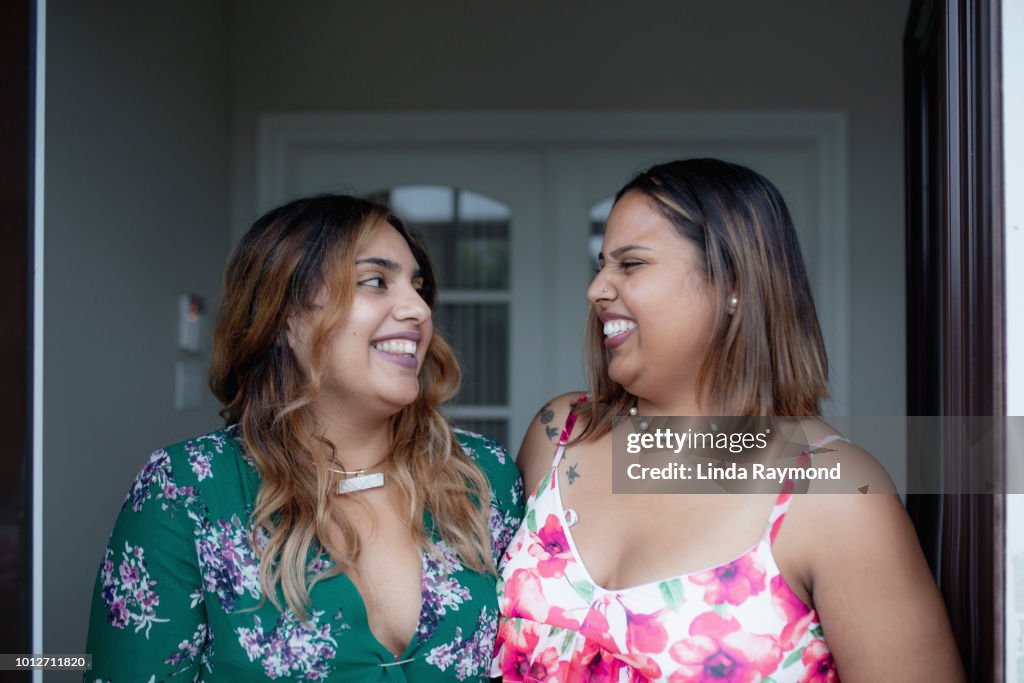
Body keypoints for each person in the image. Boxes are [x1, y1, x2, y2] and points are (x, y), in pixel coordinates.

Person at [492, 159, 963, 681]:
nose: (597, 288)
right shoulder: (561, 433)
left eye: (631, 264)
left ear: (734, 283)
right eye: (601, 264)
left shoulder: (837, 497)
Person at [86, 195, 524, 681]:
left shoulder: (483, 478)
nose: (418, 309)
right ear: (285, 317)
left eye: (418, 288)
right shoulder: (185, 491)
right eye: (375, 281)